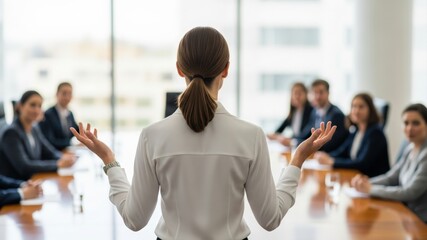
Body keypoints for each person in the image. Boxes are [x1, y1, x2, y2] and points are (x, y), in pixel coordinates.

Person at [70, 27, 336, 240]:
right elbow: (270, 220)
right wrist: (297, 159)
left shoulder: (152, 136)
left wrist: (109, 161)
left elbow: (135, 220)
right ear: (226, 69)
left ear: (179, 69)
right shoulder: (251, 136)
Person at [351, 103, 427, 223]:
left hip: (420, 221)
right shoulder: (410, 148)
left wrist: (370, 189)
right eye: (406, 123)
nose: (410, 128)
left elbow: (410, 192)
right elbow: (392, 177)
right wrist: (365, 182)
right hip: (406, 215)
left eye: (416, 123)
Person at [0, 90, 76, 180]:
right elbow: (24, 166)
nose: (36, 110)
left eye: (39, 106)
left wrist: (62, 157)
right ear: (20, 106)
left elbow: (48, 151)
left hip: (35, 180)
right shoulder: (11, 133)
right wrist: (57, 164)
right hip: (19, 185)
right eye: (32, 105)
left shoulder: (34, 128)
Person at [314, 93, 390, 177]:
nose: (356, 111)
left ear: (370, 110)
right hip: (356, 176)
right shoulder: (356, 130)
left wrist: (332, 162)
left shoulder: (376, 133)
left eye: (361, 107)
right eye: (354, 106)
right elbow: (343, 151)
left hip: (372, 181)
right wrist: (326, 156)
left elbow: (362, 163)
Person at [296, 79, 348, 153]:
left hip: (329, 156)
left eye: (321, 92)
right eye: (315, 92)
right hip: (317, 155)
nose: (318, 96)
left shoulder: (337, 115)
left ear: (328, 93)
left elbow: (331, 144)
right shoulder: (314, 111)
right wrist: (293, 141)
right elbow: (306, 133)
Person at [267, 82, 313, 147]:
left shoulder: (312, 112)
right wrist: (277, 137)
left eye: (299, 93)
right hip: (295, 147)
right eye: (295, 93)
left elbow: (304, 136)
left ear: (306, 95)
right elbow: (277, 131)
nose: (297, 96)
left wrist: (291, 141)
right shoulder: (293, 112)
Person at [38, 82, 79, 150]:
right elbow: (49, 141)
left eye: (70, 94)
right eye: (64, 93)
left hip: (69, 151)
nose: (67, 97)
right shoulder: (48, 114)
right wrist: (72, 143)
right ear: (57, 94)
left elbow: (75, 131)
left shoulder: (70, 114)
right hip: (56, 153)